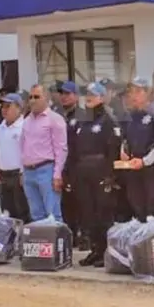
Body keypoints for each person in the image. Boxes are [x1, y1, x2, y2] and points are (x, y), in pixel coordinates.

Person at [70, 83, 121, 267]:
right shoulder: (82, 120)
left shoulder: (108, 119)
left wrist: (110, 174)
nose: (88, 97)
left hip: (101, 170)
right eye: (87, 94)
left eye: (93, 94)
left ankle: (105, 251)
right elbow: (74, 148)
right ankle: (95, 249)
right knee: (87, 213)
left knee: (103, 213)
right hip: (83, 171)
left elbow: (113, 149)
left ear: (101, 97)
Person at [118, 78, 154, 222]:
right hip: (133, 168)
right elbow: (125, 139)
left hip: (151, 168)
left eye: (138, 91)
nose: (134, 95)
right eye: (132, 92)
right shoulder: (130, 115)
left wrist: (145, 161)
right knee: (137, 205)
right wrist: (124, 151)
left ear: (147, 93)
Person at [20, 84, 68, 222]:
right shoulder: (27, 121)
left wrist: (57, 174)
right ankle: (42, 243)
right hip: (29, 171)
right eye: (30, 97)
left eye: (37, 97)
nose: (32, 100)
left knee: (53, 213)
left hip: (46, 169)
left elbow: (61, 148)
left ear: (46, 98)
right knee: (36, 214)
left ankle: (57, 242)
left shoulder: (54, 119)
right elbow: (22, 147)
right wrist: (21, 171)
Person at [0, 93, 31, 223]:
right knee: (7, 211)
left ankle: (24, 238)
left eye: (8, 106)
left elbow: (28, 152)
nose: (4, 110)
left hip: (18, 174)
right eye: (2, 106)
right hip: (4, 175)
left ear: (19, 108)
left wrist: (23, 173)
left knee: (22, 209)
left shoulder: (25, 126)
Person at [57, 81, 85, 243]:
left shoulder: (82, 115)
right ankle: (70, 234)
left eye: (68, 94)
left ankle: (83, 235)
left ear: (76, 96)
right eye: (62, 94)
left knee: (79, 200)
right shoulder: (57, 115)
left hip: (77, 163)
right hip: (62, 164)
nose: (64, 97)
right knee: (65, 202)